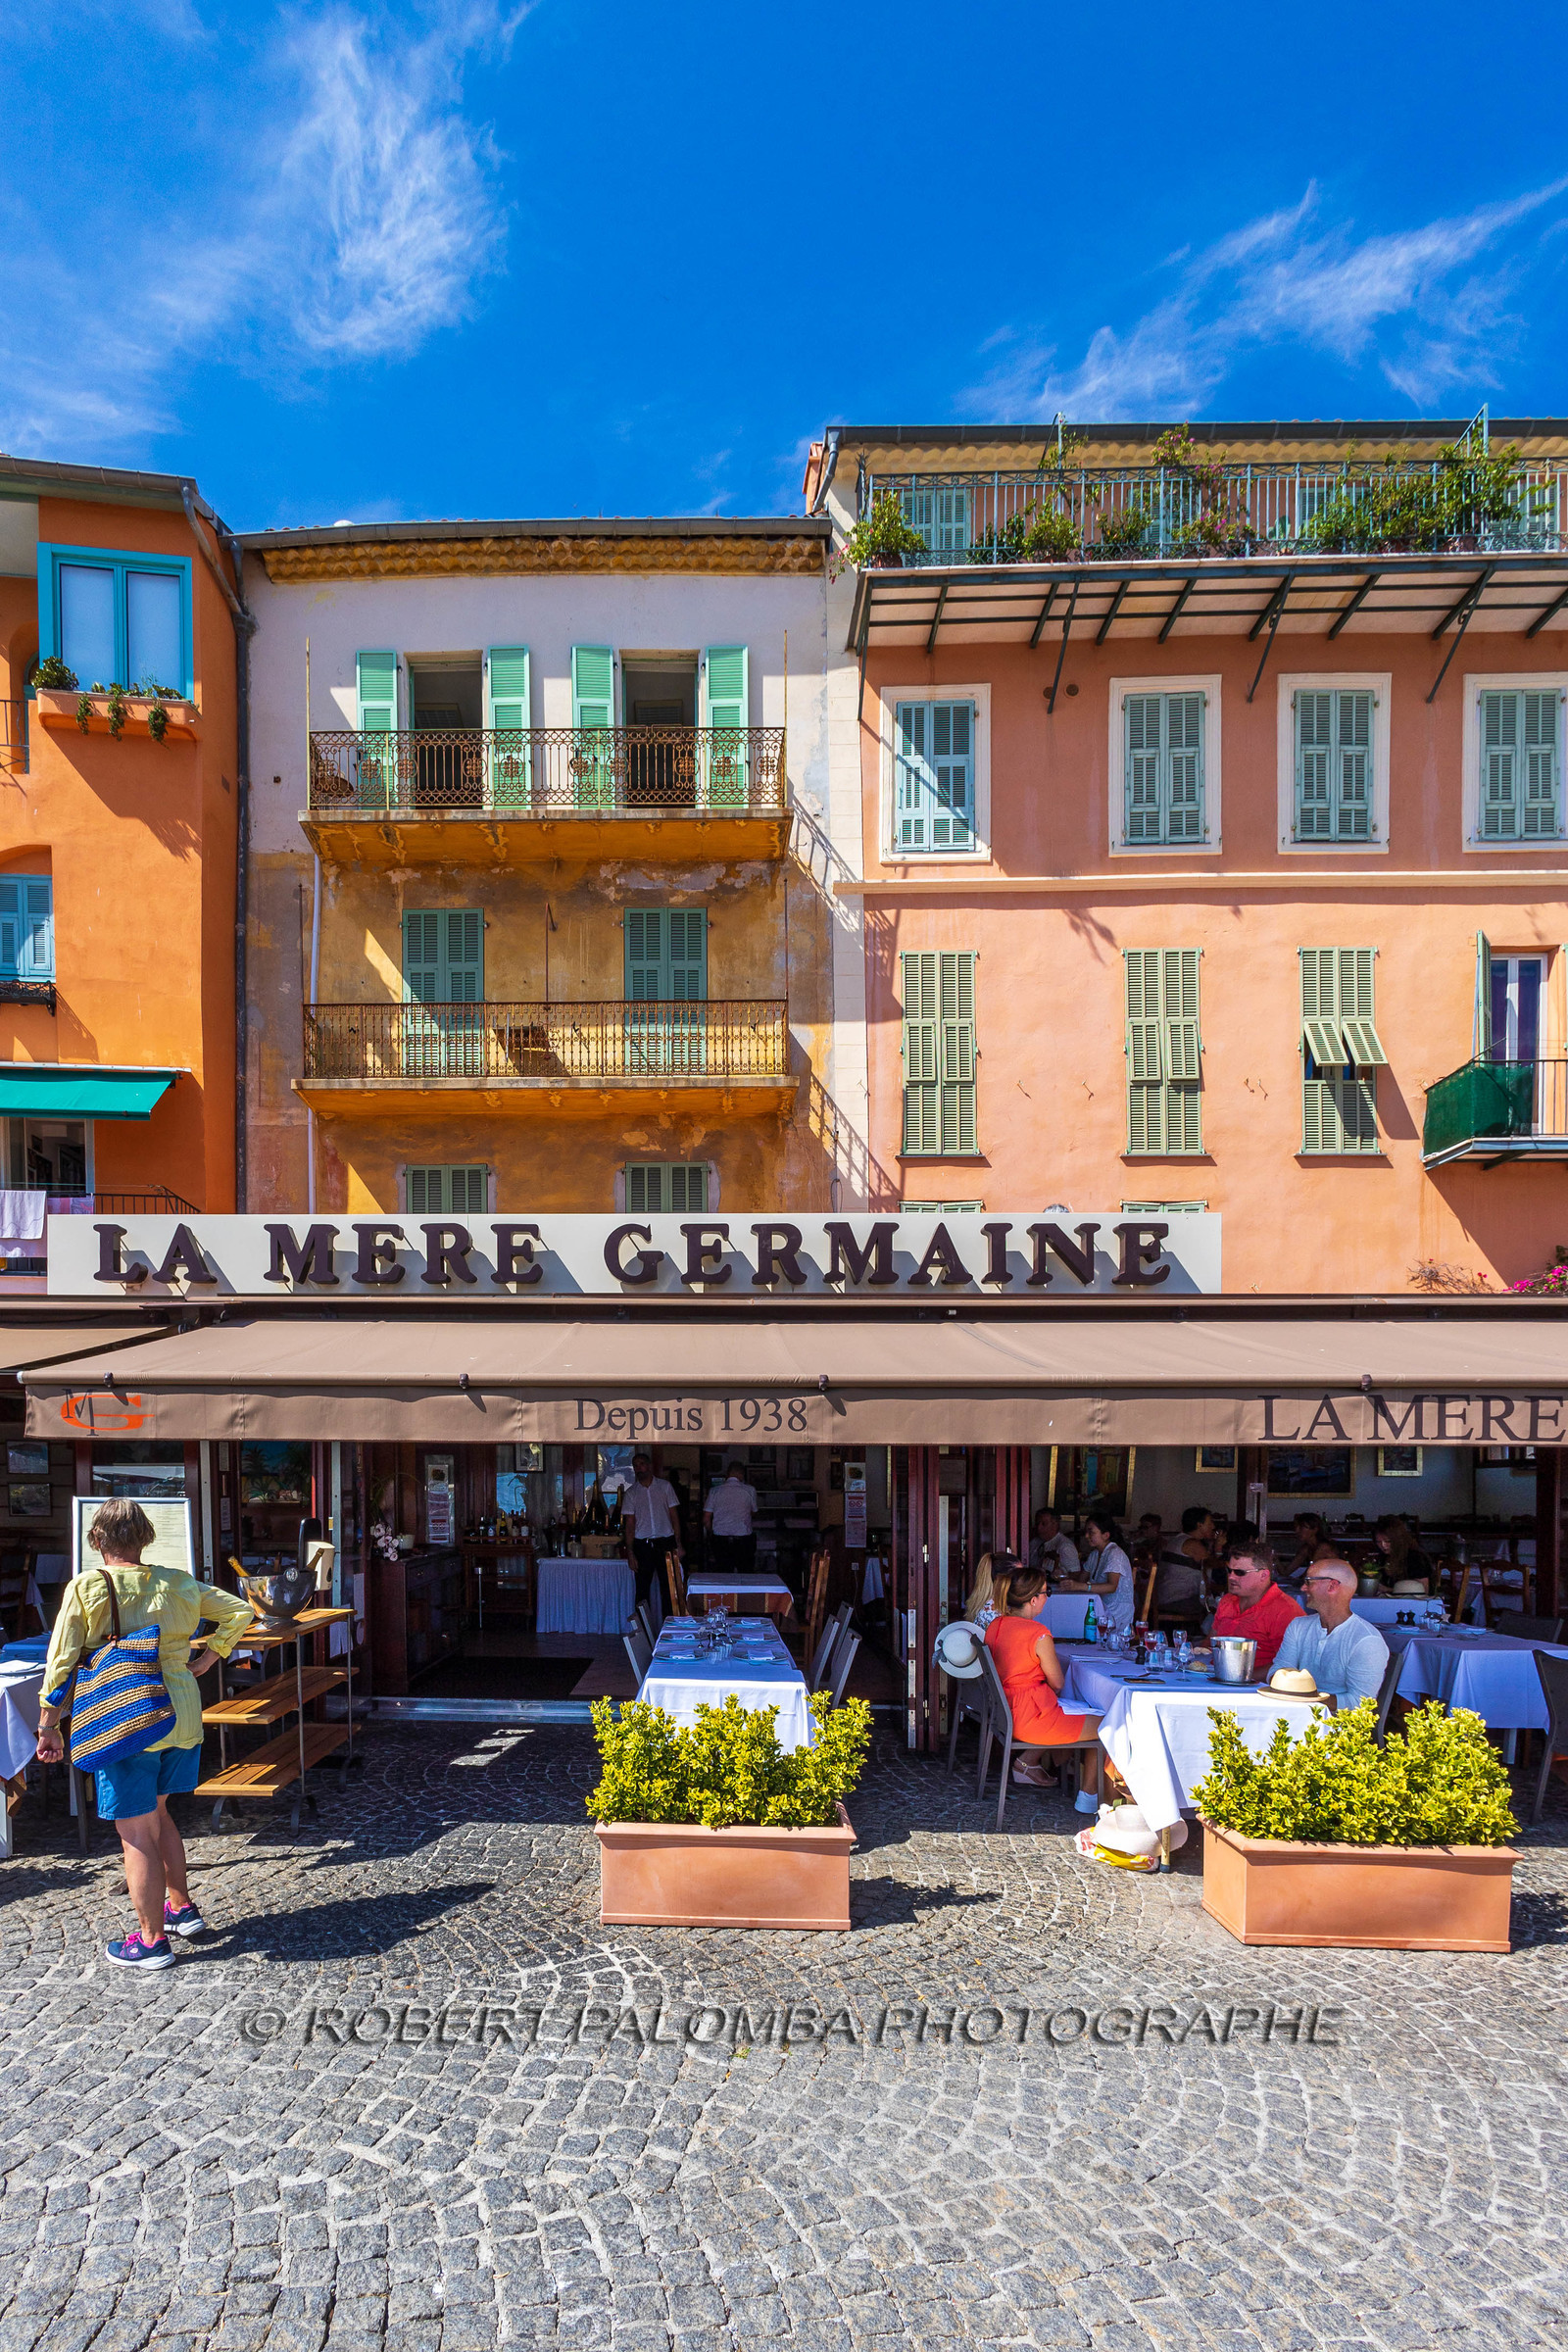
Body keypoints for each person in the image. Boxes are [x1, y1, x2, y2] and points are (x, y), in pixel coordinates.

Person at [34, 1498, 254, 1971]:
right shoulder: (177, 1581)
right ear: (147, 1537)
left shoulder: (87, 1587)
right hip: (181, 1713)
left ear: (96, 1541)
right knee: (159, 1815)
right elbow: (239, 1611)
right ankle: (180, 1908)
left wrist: (49, 1724)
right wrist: (207, 1658)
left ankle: (152, 1941)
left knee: (135, 1833)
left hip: (124, 1719)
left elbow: (61, 1663)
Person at [984, 1562, 1102, 1808]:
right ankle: (1088, 1798)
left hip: (1005, 1714)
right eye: (1046, 1593)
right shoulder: (1038, 1633)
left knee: (1079, 1709)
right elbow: (1057, 1682)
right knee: (1107, 1725)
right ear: (1033, 1600)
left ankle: (1032, 1763)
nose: (1048, 1598)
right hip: (1031, 1719)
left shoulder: (995, 1625)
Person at [1271, 1559, 1390, 1708]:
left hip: (1336, 1726)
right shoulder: (1298, 1626)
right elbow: (1277, 1670)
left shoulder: (1366, 1640)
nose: (1303, 1588)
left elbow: (1360, 1704)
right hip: (1290, 1713)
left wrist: (1306, 1700)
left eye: (1308, 1582)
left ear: (1332, 1585)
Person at [1210, 1548, 1304, 1677]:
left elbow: (1288, 1666)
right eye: (1229, 1570)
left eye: (1239, 1572)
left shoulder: (1285, 1610)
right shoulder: (1227, 1600)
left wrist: (1239, 1677)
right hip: (1214, 1678)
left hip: (1257, 1689)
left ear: (1264, 1575)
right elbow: (1209, 1644)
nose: (1231, 1576)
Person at [621, 1451, 683, 1612]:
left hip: (666, 1542)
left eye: (641, 1464)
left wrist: (679, 1543)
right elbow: (629, 1524)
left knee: (669, 1589)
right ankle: (643, 1630)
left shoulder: (665, 1487)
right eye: (635, 1466)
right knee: (642, 1591)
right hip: (643, 1544)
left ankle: (669, 1628)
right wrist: (630, 1553)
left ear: (649, 1466)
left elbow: (674, 1516)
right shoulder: (631, 1493)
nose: (639, 1468)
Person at [1058, 1508, 1135, 1638]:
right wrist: (1064, 1577)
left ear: (1106, 1535)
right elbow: (1081, 1579)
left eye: (1091, 1532)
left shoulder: (1114, 1554)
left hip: (1116, 1613)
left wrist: (1082, 1586)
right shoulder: (1095, 1554)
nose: (1087, 1536)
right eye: (1086, 1532)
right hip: (1100, 1608)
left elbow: (1112, 1587)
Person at [703, 1464, 758, 1575]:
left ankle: (725, 1592)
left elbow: (706, 1518)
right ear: (741, 1474)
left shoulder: (715, 1491)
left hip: (720, 1538)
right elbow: (754, 1512)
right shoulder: (750, 1490)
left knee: (723, 1573)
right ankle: (744, 1592)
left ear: (728, 1474)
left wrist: (711, 1533)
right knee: (745, 1572)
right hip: (743, 1538)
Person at [1375, 1513, 1433, 1590]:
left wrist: (1388, 1590)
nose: (1383, 1545)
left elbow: (1423, 1590)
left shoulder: (1415, 1557)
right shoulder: (1383, 1557)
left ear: (1398, 1539)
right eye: (1378, 1542)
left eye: (1388, 1541)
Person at [1027, 1506, 1079, 1583]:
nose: (1038, 1527)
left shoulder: (1065, 1546)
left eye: (1043, 1524)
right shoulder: (1034, 1542)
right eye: (1037, 1523)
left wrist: (1060, 1576)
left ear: (1055, 1524)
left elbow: (1076, 1575)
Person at [963, 1550, 1011, 1631]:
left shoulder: (989, 1604)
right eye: (1019, 1575)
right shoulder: (994, 1612)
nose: (1022, 1580)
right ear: (1003, 1579)